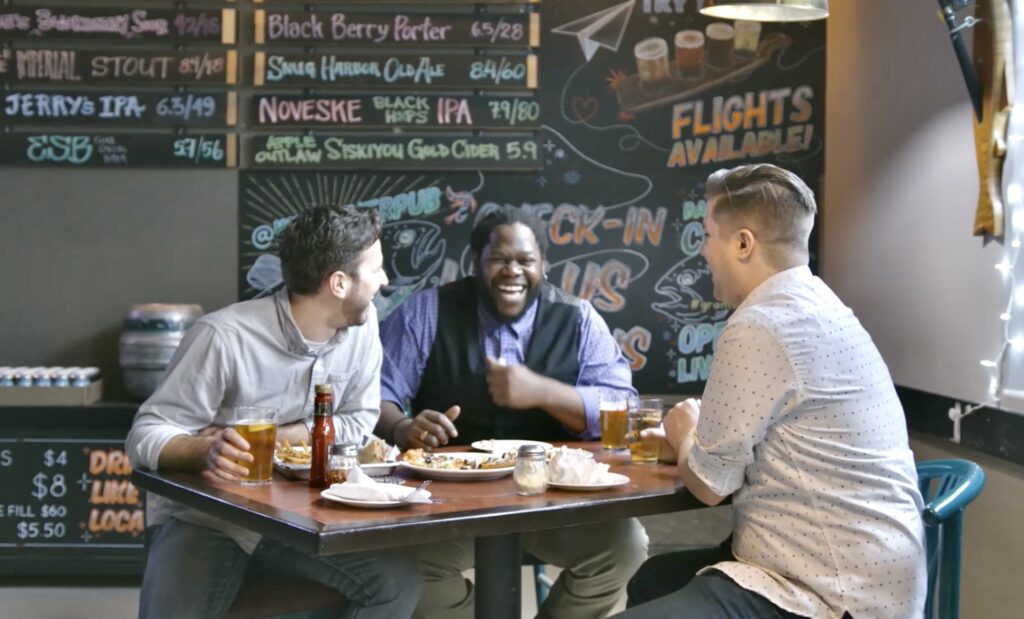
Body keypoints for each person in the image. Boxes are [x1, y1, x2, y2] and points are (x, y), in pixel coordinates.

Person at [614, 164, 927, 619]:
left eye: (707, 235)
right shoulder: (822, 306)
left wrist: (684, 432)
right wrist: (689, 445)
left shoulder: (760, 324)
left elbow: (709, 487)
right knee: (653, 580)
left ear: (743, 243)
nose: (701, 252)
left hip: (826, 593)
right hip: (879, 579)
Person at [126, 205, 420, 619]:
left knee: (395, 584)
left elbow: (359, 419)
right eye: (376, 270)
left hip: (303, 516)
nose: (385, 281)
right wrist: (204, 452)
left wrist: (271, 438)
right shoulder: (223, 337)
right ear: (338, 283)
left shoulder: (364, 324)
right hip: (209, 519)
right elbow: (144, 435)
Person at [375, 205, 648, 619]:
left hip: (554, 504)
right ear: (475, 264)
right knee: (396, 565)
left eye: (525, 261)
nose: (513, 272)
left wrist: (542, 392)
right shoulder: (426, 311)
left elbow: (622, 406)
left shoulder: (578, 318)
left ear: (544, 266)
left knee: (625, 547)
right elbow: (372, 391)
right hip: (449, 506)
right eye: (499, 260)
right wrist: (402, 426)